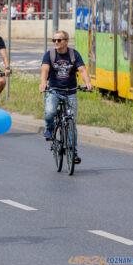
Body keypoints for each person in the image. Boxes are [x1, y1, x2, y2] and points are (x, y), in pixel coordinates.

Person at [39, 30, 93, 164]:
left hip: (71, 92)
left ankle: (73, 153)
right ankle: (50, 128)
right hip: (54, 91)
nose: (56, 43)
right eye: (54, 40)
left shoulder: (74, 54)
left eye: (59, 40)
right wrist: (43, 83)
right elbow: (45, 69)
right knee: (50, 112)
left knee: (71, 124)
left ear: (66, 41)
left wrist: (88, 83)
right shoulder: (50, 55)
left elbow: (82, 70)